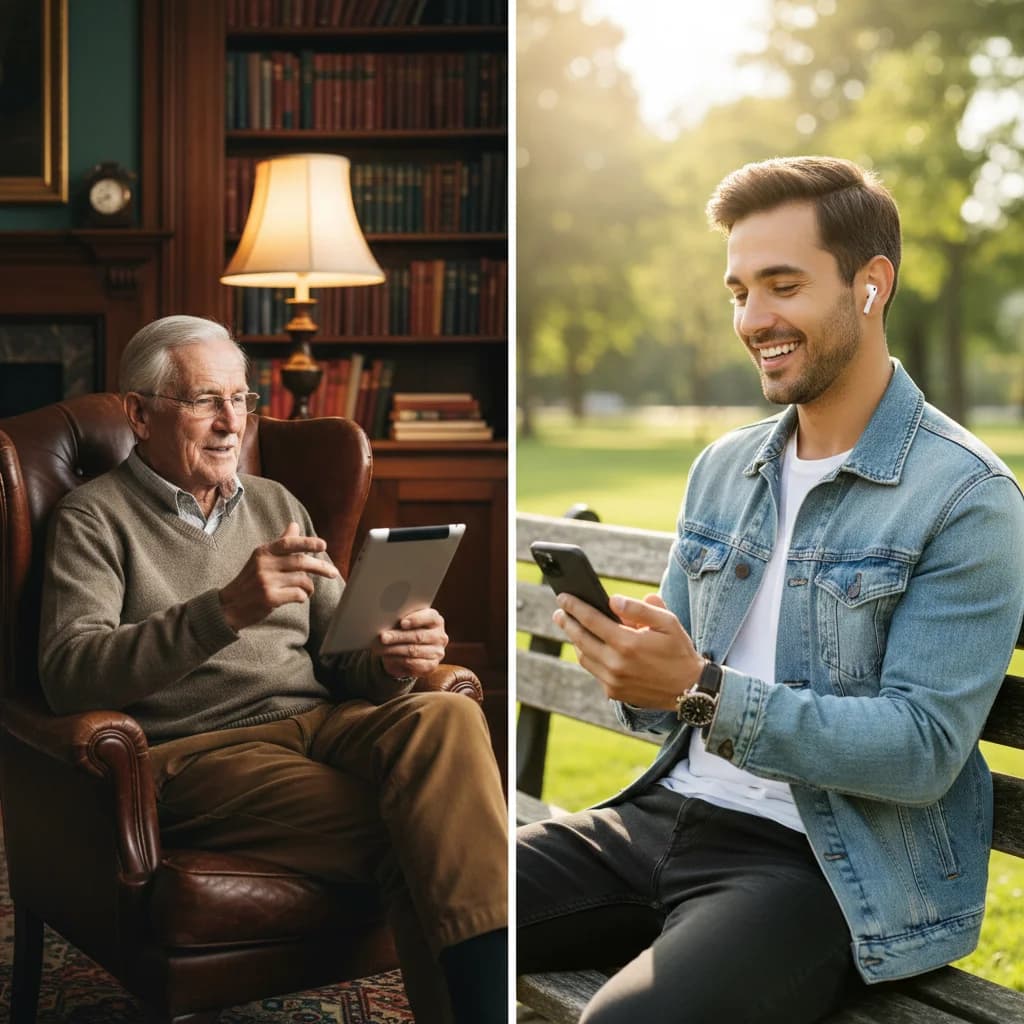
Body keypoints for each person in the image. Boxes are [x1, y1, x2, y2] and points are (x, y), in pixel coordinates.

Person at [517, 156, 1024, 1023]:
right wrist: (635, 666)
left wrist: (702, 690)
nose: (754, 319)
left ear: (870, 285)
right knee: (438, 885)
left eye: (783, 286)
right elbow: (667, 700)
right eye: (740, 292)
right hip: (664, 815)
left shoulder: (967, 498)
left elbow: (922, 749)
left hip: (820, 867)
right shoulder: (725, 468)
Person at [38, 315, 507, 1024]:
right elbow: (69, 674)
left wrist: (390, 660)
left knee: (447, 711)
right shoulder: (92, 519)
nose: (232, 422)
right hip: (199, 753)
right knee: (432, 832)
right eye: (205, 400)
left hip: (322, 722)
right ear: (139, 413)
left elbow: (344, 660)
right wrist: (226, 610)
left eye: (240, 399)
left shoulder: (276, 503)